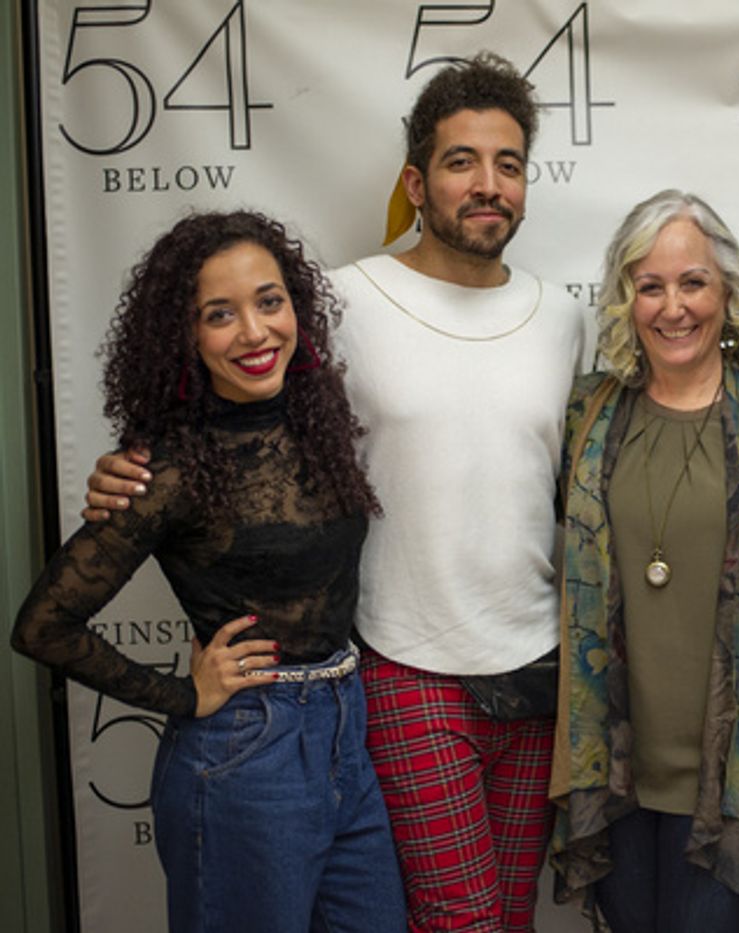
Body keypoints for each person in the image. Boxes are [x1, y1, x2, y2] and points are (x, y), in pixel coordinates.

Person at [82, 53, 586, 932]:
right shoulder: (346, 302)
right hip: (405, 662)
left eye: (508, 164)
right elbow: (232, 401)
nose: (488, 184)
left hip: (536, 668)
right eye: (462, 160)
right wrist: (127, 471)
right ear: (416, 181)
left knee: (509, 914)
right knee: (459, 921)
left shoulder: (564, 316)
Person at [13, 211, 405, 933]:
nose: (255, 333)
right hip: (246, 752)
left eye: (269, 301)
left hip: (349, 734)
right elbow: (42, 624)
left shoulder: (321, 419)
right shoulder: (162, 470)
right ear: (185, 337)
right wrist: (179, 694)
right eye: (219, 315)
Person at [549, 189, 739, 933]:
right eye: (651, 285)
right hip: (617, 781)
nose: (674, 307)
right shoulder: (587, 414)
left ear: (728, 289)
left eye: (693, 282)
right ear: (625, 298)